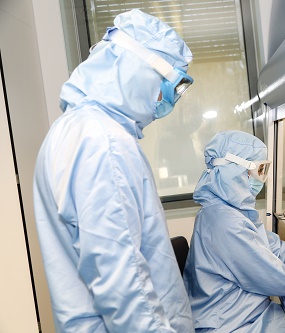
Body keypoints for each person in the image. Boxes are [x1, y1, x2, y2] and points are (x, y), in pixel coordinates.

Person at [33, 9, 195, 333]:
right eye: (171, 84)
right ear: (139, 69)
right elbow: (123, 283)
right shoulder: (101, 142)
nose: (170, 100)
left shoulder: (77, 130)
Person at [183, 130, 285, 333]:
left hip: (243, 314)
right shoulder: (225, 221)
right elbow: (273, 276)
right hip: (231, 324)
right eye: (261, 169)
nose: (262, 179)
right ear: (238, 170)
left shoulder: (231, 211)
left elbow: (270, 248)